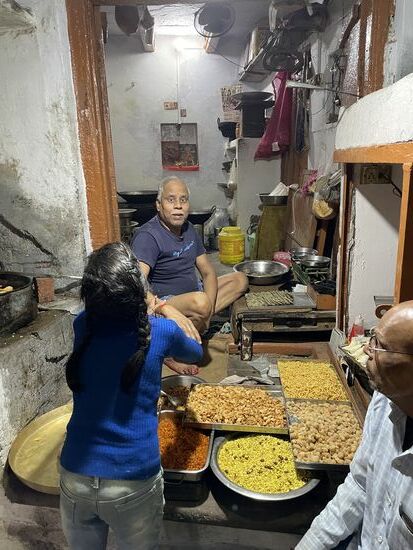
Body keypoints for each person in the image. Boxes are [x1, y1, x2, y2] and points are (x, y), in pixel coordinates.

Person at [59, 242, 202, 550]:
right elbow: (195, 352)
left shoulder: (82, 325)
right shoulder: (161, 331)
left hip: (74, 475)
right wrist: (164, 307)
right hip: (133, 479)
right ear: (138, 290)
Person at [296, 300, 413, 550]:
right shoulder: (383, 401)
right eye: (372, 339)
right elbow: (360, 484)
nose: (367, 351)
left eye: (380, 346)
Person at [131, 176, 248, 374]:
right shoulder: (148, 236)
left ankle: (198, 321)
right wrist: (165, 308)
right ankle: (169, 351)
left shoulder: (189, 230)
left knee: (240, 279)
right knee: (200, 302)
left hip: (194, 296)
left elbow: (208, 272)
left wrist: (208, 312)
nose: (178, 206)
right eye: (171, 200)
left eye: (183, 200)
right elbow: (136, 283)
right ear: (158, 205)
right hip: (162, 306)